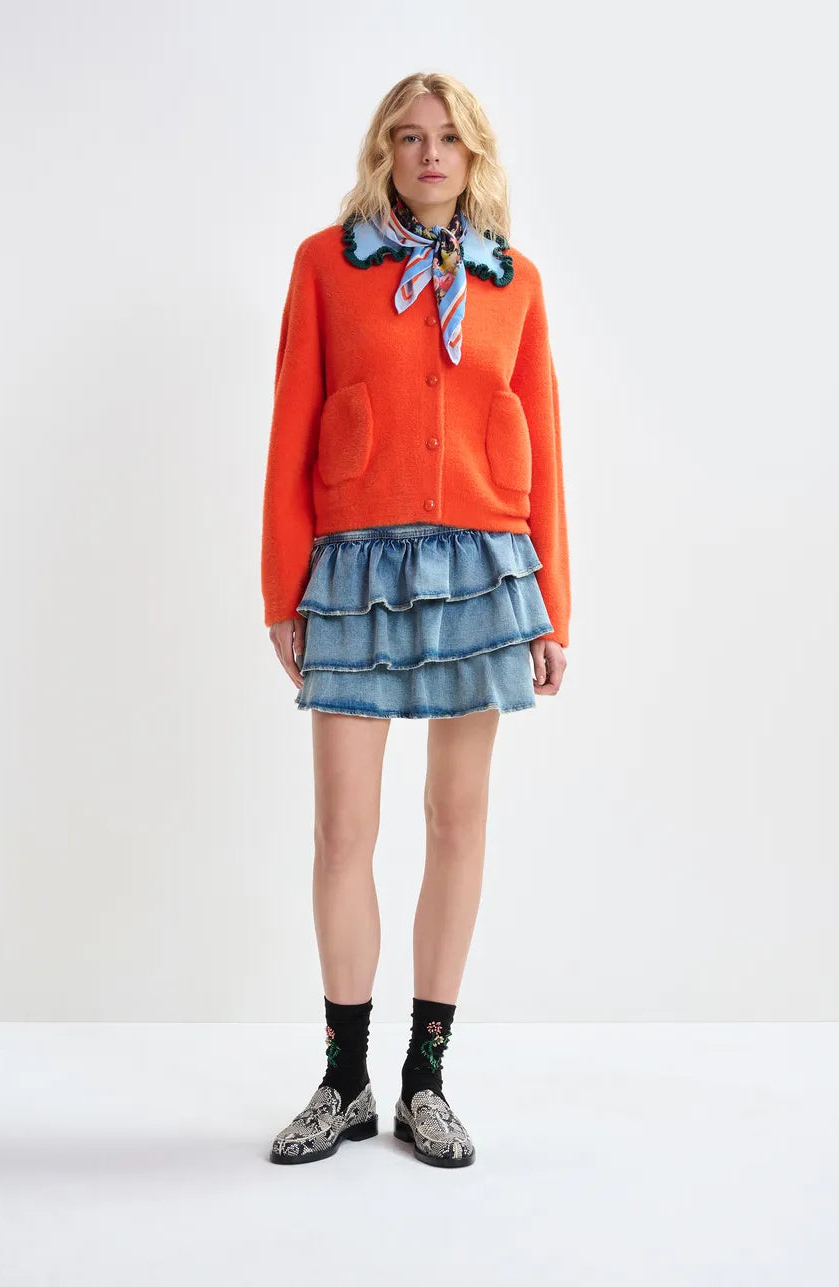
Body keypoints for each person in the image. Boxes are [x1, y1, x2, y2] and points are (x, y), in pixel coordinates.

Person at [262, 71, 570, 1168]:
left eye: (447, 138)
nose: (428, 154)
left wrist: (554, 608)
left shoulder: (513, 282)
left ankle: (424, 1080)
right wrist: (280, 591)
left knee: (455, 823)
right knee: (342, 830)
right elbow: (291, 425)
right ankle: (343, 1081)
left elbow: (543, 446)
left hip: (483, 572)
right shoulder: (325, 266)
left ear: (473, 154)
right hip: (350, 573)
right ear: (383, 152)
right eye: (408, 137)